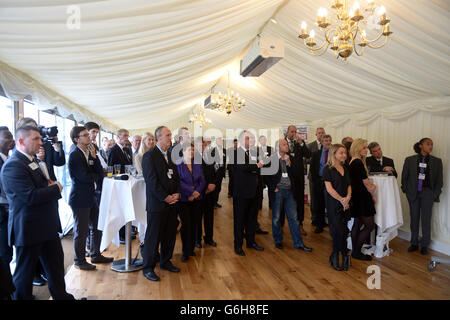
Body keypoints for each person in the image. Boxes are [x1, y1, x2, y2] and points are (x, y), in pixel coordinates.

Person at [1, 126, 75, 300]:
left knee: (55, 267)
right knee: (25, 273)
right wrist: (55, 187)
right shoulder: (13, 166)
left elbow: (41, 186)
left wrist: (49, 187)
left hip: (46, 225)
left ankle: (62, 297)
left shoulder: (31, 161)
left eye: (40, 139)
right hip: (29, 228)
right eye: (35, 139)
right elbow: (30, 196)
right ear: (21, 141)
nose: (41, 142)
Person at [68, 126, 114, 270]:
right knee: (81, 232)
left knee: (97, 226)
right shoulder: (75, 154)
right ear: (77, 139)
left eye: (89, 134)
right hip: (80, 198)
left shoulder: (89, 152)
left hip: (91, 195)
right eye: (85, 135)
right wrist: (95, 174)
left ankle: (95, 254)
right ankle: (79, 260)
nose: (89, 137)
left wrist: (94, 158)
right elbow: (84, 177)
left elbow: (100, 172)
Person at [141, 126, 180, 282]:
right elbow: (151, 181)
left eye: (170, 135)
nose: (171, 138)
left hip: (173, 202)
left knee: (170, 234)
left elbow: (176, 177)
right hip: (158, 204)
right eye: (168, 135)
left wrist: (177, 193)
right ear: (159, 138)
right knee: (153, 236)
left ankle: (165, 261)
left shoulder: (171, 155)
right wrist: (165, 197)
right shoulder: (149, 156)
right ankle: (148, 267)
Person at [267, 139, 312, 252]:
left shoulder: (290, 158)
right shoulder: (272, 159)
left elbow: (297, 174)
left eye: (287, 144)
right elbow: (266, 175)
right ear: (278, 147)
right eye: (284, 144)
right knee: (276, 218)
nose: (287, 146)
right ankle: (278, 240)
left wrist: (289, 164)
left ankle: (298, 243)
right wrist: (273, 187)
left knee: (294, 218)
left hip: (290, 191)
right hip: (278, 191)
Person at [401, 138, 443, 255]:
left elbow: (439, 180)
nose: (431, 146)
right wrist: (406, 191)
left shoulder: (437, 161)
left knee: (426, 220)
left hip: (428, 194)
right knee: (414, 219)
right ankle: (414, 243)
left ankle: (425, 245)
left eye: (432, 144)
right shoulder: (410, 160)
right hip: (413, 193)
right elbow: (404, 177)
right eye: (428, 144)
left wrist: (435, 193)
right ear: (420, 146)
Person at [232, 130, 264, 256]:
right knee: (239, 220)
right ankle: (238, 245)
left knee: (252, 219)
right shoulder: (235, 153)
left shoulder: (254, 153)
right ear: (241, 140)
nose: (251, 140)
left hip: (254, 191)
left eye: (252, 138)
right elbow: (243, 167)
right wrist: (257, 166)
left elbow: (258, 170)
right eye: (248, 138)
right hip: (241, 193)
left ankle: (251, 242)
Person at [323, 144, 352, 271]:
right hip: (334, 204)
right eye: (341, 153)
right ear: (334, 154)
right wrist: (341, 199)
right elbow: (329, 189)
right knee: (337, 232)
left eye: (345, 153)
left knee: (344, 231)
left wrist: (348, 198)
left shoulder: (345, 167)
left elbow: (349, 185)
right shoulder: (327, 169)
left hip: (345, 204)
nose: (344, 155)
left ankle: (342, 255)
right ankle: (339, 255)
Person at [176, 142, 206, 262]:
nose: (192, 152)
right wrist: (190, 192)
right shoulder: (178, 164)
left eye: (193, 150)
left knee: (195, 224)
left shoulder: (197, 163)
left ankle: (191, 249)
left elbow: (202, 180)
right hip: (184, 199)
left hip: (197, 199)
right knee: (186, 225)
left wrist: (197, 192)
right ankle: (185, 251)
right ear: (183, 151)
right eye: (189, 150)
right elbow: (178, 181)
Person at [348, 139, 376, 261]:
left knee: (357, 224)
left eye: (366, 148)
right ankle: (356, 251)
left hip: (356, 197)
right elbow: (366, 183)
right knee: (370, 226)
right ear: (357, 149)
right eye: (364, 148)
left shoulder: (353, 161)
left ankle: (355, 251)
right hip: (362, 198)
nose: (366, 150)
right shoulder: (358, 162)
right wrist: (373, 189)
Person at [107, 128, 133, 243]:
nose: (127, 138)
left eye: (127, 136)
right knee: (120, 209)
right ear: (118, 137)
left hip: (126, 183)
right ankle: (121, 235)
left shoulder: (126, 150)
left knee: (125, 208)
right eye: (124, 136)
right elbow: (110, 168)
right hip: (118, 184)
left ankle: (125, 232)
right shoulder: (113, 150)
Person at [285, 125, 311, 236]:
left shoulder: (299, 144)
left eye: (295, 132)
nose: (293, 133)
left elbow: (308, 155)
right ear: (287, 132)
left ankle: (300, 225)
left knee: (299, 202)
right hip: (286, 179)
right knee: (285, 203)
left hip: (299, 179)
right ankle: (282, 226)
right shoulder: (281, 143)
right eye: (291, 131)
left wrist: (301, 143)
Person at [0, 127, 15, 285]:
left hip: (10, 211)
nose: (11, 140)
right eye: (7, 137)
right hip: (2, 213)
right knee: (4, 253)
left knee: (9, 252)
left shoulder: (9, 158)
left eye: (12, 137)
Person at [309, 134, 332, 233]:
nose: (328, 142)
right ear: (322, 142)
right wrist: (316, 181)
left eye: (329, 140)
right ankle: (319, 225)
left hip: (331, 183)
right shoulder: (316, 153)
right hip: (319, 181)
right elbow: (313, 169)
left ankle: (332, 226)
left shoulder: (333, 153)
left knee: (330, 205)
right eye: (326, 140)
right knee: (319, 204)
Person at [197, 138, 217, 247]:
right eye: (200, 145)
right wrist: (205, 187)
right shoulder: (193, 158)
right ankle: (197, 240)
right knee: (198, 217)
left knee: (209, 217)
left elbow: (215, 171)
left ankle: (209, 238)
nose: (203, 147)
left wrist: (213, 184)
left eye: (204, 145)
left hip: (210, 192)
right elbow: (196, 176)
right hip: (200, 192)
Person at [307, 127, 326, 227]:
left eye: (323, 133)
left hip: (324, 177)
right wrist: (314, 160)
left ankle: (322, 219)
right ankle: (314, 218)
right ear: (316, 134)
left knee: (323, 198)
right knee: (314, 198)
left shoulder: (328, 146)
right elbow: (305, 160)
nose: (321, 135)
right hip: (313, 176)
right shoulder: (310, 146)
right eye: (319, 133)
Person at [258, 135, 274, 210]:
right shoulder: (256, 150)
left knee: (271, 188)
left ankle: (271, 204)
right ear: (259, 141)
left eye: (264, 140)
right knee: (260, 189)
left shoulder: (271, 148)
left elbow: (274, 158)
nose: (263, 141)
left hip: (269, 171)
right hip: (260, 171)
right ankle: (259, 205)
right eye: (261, 140)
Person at [212, 137, 226, 208]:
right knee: (213, 187)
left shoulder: (224, 150)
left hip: (221, 171)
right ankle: (212, 202)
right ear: (216, 142)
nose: (221, 142)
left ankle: (215, 202)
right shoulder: (212, 150)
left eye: (221, 141)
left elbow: (225, 161)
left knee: (218, 188)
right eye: (219, 141)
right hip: (214, 172)